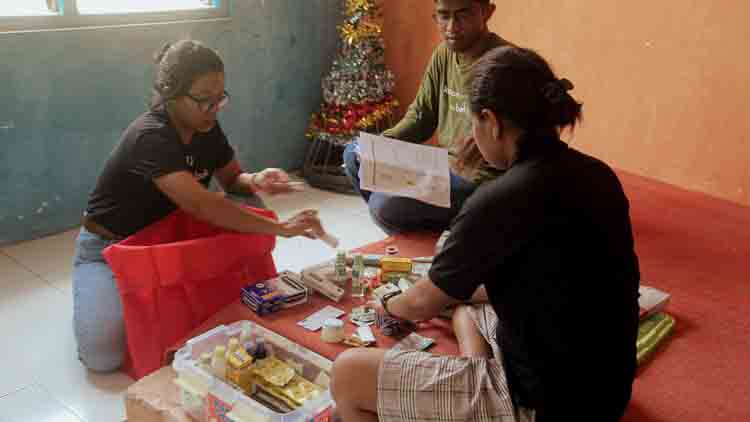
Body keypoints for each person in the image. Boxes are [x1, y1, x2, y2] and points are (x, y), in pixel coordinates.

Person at [331, 46, 641, 422]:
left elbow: (420, 304)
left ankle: (482, 395)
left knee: (347, 375)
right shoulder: (598, 174)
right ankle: (474, 373)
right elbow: (543, 279)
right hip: (607, 390)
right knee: (465, 306)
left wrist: (385, 304)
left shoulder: (499, 200)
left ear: (491, 121)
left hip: (544, 406)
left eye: (474, 124)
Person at [73, 40, 323, 372]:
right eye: (204, 100)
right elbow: (204, 206)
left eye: (220, 98)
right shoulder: (151, 137)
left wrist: (257, 179)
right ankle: (94, 295)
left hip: (168, 241)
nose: (215, 108)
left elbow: (233, 180)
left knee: (247, 205)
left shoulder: (205, 125)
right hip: (110, 249)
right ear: (170, 94)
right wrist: (281, 228)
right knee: (102, 358)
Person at [343, 0, 511, 234]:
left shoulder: (504, 63)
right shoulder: (444, 53)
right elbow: (421, 117)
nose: (452, 26)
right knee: (354, 153)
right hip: (442, 165)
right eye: (443, 16)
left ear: (487, 12)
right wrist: (381, 144)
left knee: (384, 205)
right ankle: (424, 226)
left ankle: (445, 232)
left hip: (477, 179)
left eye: (463, 15)